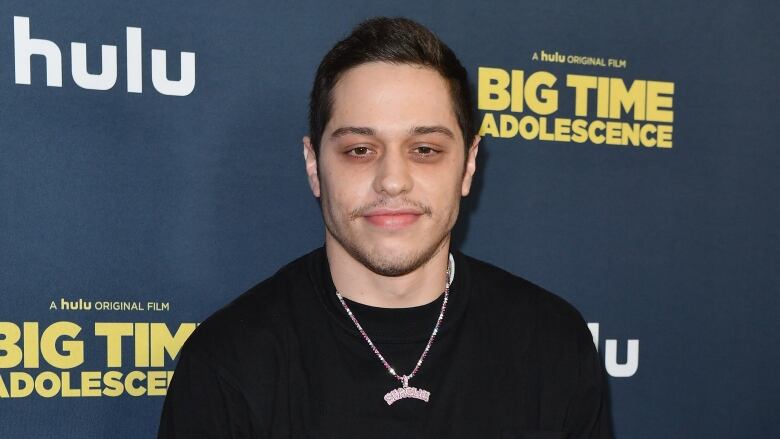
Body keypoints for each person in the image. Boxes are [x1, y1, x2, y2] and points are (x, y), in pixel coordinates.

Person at [158, 17, 612, 438]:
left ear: (469, 165)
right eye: (360, 150)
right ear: (314, 166)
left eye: (425, 149)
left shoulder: (553, 345)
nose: (393, 180)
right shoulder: (228, 363)